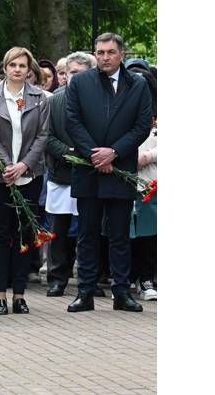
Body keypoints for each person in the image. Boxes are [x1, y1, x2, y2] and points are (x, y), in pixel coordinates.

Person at [65, 32, 152, 313]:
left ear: (121, 54)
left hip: (120, 166)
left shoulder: (137, 85)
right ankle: (85, 292)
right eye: (100, 52)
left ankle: (121, 292)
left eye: (110, 52)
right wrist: (95, 154)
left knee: (119, 234)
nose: (104, 57)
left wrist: (113, 152)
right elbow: (72, 121)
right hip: (89, 168)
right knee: (87, 233)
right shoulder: (80, 82)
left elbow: (141, 126)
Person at [0, 47, 51, 315]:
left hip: (29, 173)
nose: (17, 70)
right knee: (1, 232)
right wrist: (7, 164)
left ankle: (19, 295)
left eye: (22, 65)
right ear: (5, 67)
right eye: (13, 65)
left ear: (29, 70)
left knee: (25, 232)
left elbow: (43, 136)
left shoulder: (40, 99)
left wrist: (23, 165)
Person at [43, 51, 95, 297]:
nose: (76, 77)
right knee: (59, 230)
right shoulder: (54, 101)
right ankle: (57, 277)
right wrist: (68, 153)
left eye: (81, 73)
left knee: (89, 228)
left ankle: (89, 278)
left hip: (93, 172)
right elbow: (46, 136)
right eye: (72, 72)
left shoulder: (101, 99)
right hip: (62, 173)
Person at [130, 67, 157, 301]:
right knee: (124, 231)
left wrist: (149, 156)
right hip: (124, 177)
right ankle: (126, 277)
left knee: (149, 232)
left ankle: (147, 278)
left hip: (150, 179)